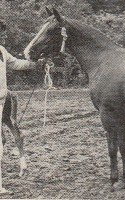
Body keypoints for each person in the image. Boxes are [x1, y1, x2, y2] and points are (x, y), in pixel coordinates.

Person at [0, 19, 44, 193]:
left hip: (2, 101)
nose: (2, 35)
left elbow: (17, 64)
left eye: (1, 31)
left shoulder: (2, 51)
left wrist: (36, 64)